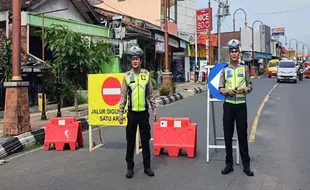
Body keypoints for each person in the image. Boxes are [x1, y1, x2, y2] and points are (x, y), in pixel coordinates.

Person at [119, 45, 157, 179]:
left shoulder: (146, 75)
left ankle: (147, 166)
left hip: (144, 114)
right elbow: (123, 95)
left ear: (141, 60)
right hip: (132, 114)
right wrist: (120, 112)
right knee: (130, 141)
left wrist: (154, 109)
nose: (135, 61)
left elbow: (151, 94)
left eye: (137, 59)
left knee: (145, 140)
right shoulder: (127, 76)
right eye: (133, 59)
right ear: (131, 61)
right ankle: (130, 167)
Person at [218, 39, 254, 177]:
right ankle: (229, 164)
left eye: (236, 51)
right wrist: (227, 91)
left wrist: (243, 90)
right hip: (228, 106)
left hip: (240, 106)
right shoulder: (224, 70)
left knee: (242, 136)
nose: (234, 53)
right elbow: (220, 88)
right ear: (229, 54)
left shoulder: (244, 68)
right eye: (232, 51)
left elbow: (250, 86)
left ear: (239, 53)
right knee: (228, 135)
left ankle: (246, 165)